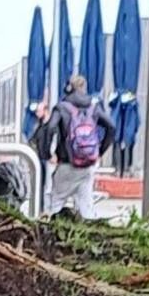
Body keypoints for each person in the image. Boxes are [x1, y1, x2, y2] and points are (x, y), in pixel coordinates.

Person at [31, 74, 115, 218]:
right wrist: (100, 151)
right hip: (88, 165)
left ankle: (53, 234)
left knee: (56, 202)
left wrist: (47, 154)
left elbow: (50, 128)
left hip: (66, 163)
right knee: (86, 207)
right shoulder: (93, 107)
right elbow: (111, 127)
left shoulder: (62, 107)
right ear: (84, 88)